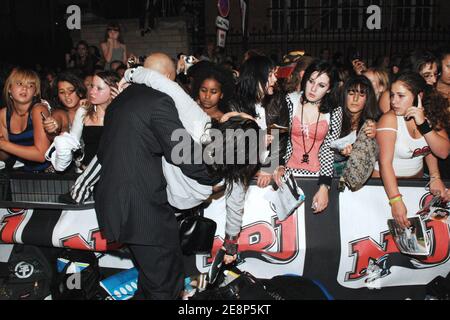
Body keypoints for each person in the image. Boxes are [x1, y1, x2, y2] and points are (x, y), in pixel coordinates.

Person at [94, 54, 261, 299]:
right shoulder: (232, 170)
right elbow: (235, 203)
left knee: (160, 284)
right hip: (158, 212)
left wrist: (130, 74)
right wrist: (231, 241)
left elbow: (167, 85)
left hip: (157, 212)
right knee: (164, 284)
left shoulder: (199, 124)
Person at [374, 72, 449, 229]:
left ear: (418, 96)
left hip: (414, 185)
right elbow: (385, 163)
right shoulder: (389, 119)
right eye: (392, 95)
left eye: (401, 96)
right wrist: (395, 200)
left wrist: (424, 125)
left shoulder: (430, 116)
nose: (394, 101)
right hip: (385, 187)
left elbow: (441, 152)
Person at [280, 60, 342, 214]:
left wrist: (324, 186)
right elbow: (277, 136)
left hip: (317, 176)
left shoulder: (335, 111)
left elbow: (328, 150)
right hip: (286, 175)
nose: (313, 89)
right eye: (311, 81)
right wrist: (273, 167)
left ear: (329, 89)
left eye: (321, 85)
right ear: (305, 79)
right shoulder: (290, 100)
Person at [0, 67, 51, 172]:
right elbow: (4, 157)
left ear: (35, 92)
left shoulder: (38, 109)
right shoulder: (3, 114)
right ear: (9, 89)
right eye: (19, 83)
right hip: (23, 174)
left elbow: (41, 155)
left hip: (49, 175)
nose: (25, 88)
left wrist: (3, 144)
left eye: (30, 85)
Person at [333, 75, 381, 176]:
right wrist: (340, 152)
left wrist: (377, 136)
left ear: (368, 98)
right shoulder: (333, 117)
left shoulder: (374, 123)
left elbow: (380, 157)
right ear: (344, 95)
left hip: (362, 181)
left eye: (361, 95)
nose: (355, 99)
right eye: (351, 93)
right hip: (331, 177)